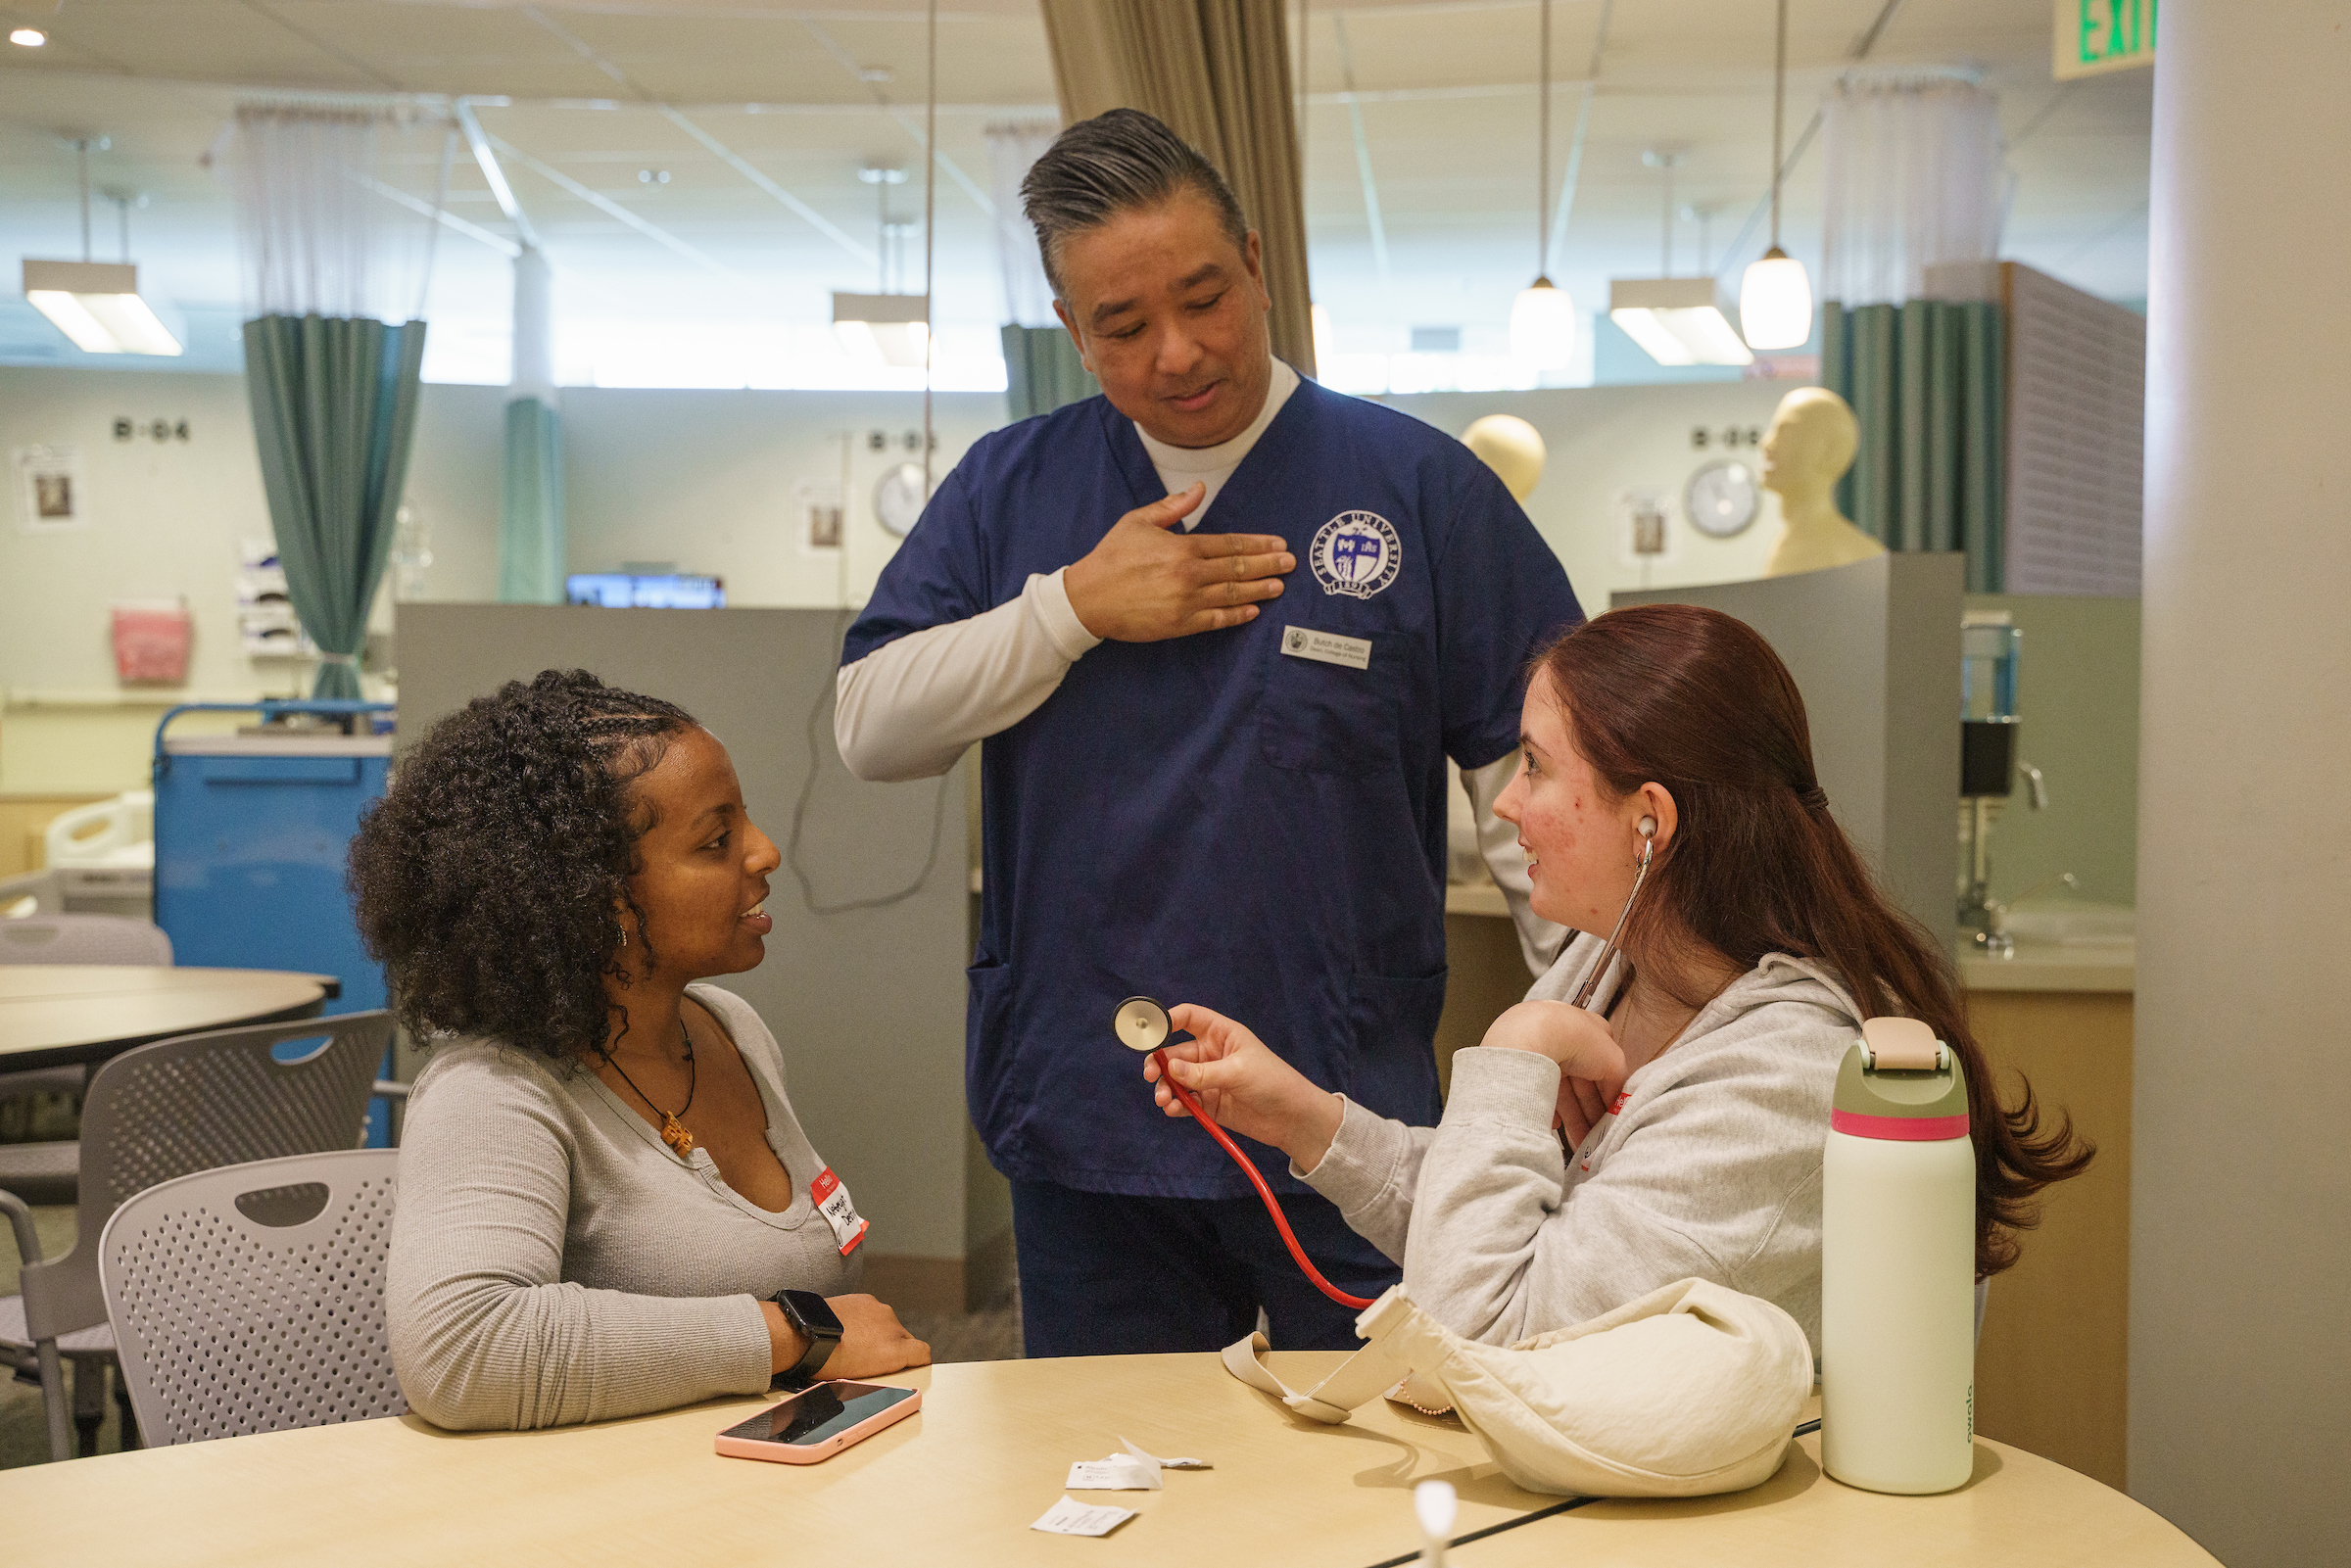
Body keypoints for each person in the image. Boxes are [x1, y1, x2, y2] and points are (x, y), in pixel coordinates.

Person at [836, 109, 1582, 1355]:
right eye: (1124, 327)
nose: (1179, 352)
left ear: (1255, 260)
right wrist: (1069, 608)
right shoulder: (1012, 489)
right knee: (1115, 1493)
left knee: (1361, 1485)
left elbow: (1541, 792)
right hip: (1093, 1109)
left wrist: (1593, 1025)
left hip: (1349, 1118)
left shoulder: (1419, 489)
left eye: (1206, 297)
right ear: (1073, 332)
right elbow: (870, 726)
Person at [1144, 605, 2091, 1352]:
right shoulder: (1609, 964)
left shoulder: (1787, 1077)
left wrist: (1517, 1043)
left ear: (1651, 820)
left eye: (1535, 767)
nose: (1506, 805)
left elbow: (1484, 1331)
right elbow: (1487, 1219)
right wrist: (1300, 1115)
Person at [354, 670, 930, 1430]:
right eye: (717, 840)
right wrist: (794, 1334)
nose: (764, 853)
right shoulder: (493, 1089)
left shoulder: (729, 1027)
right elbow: (462, 1348)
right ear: (597, 898)